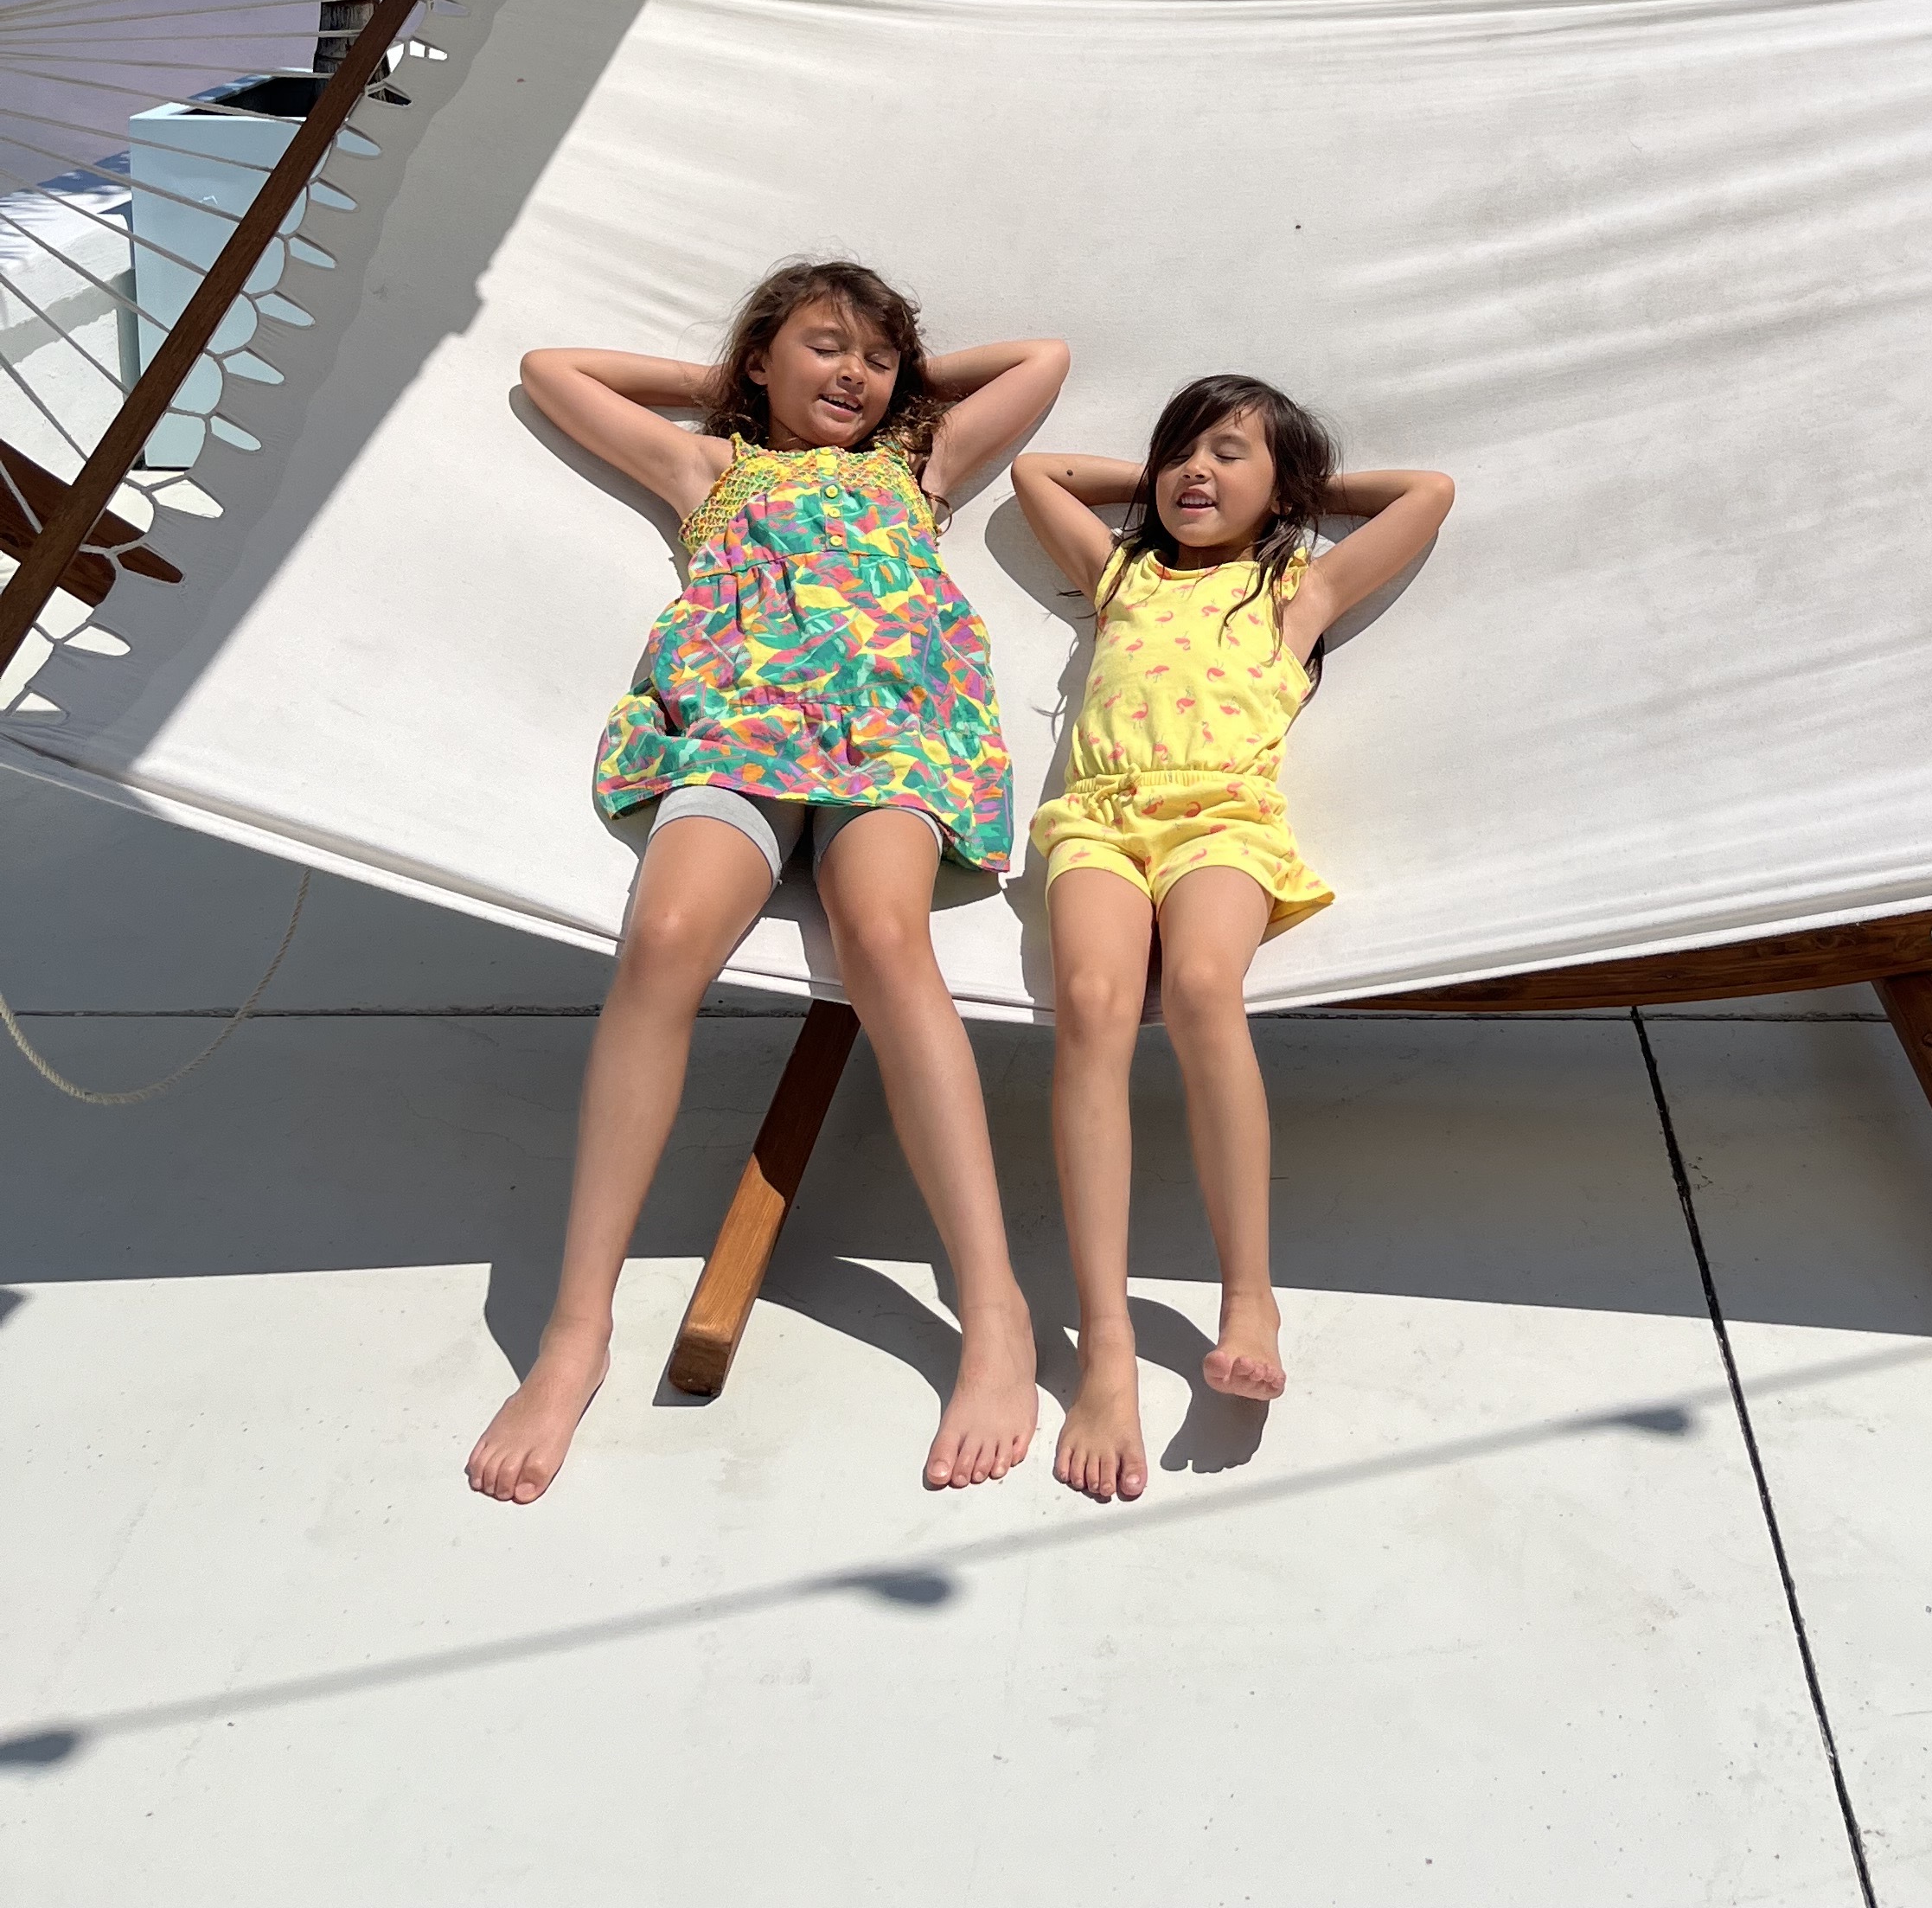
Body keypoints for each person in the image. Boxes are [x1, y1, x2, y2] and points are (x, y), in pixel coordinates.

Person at [466, 262, 1066, 1507]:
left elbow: (1042, 361)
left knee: (886, 941)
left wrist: (890, 396)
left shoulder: (918, 471)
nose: (852, 374)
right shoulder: (709, 468)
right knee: (667, 935)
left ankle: (995, 1314)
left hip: (890, 725)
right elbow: (550, 372)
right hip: (739, 716)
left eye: (877, 358)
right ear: (758, 361)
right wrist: (732, 385)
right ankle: (576, 1330)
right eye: (822, 348)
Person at [1014, 383, 1455, 1504]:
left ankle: (1248, 1294)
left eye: (1227, 455)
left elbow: (1427, 492)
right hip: (1101, 819)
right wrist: (1175, 484)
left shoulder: (1296, 590)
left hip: (1221, 817)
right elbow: (1039, 478)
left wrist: (1297, 493)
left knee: (1205, 986)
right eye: (1177, 456)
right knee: (1094, 1011)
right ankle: (1105, 1347)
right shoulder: (1122, 577)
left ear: (1286, 493)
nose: (1192, 474)